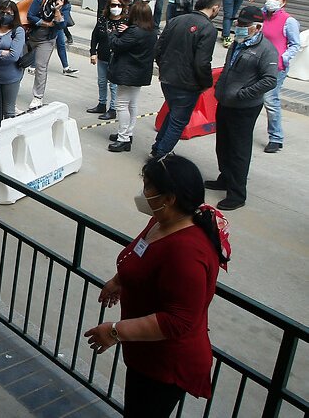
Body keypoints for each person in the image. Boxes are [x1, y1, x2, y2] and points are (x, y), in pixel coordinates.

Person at [85, 154, 231, 417]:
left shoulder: (187, 252)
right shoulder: (162, 221)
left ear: (169, 198)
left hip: (165, 364)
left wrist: (115, 332)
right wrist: (120, 280)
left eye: (148, 185)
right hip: (144, 351)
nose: (143, 192)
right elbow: (143, 253)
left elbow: (178, 321)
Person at [206, 6, 278, 210]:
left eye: (245, 25)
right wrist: (220, 88)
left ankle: (237, 193)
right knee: (223, 144)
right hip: (226, 102)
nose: (239, 27)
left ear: (257, 27)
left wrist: (243, 94)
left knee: (239, 150)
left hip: (244, 108)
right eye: (239, 23)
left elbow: (269, 80)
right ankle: (225, 177)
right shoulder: (237, 44)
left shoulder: (265, 50)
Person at [151, 0, 221, 159]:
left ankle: (158, 147)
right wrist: (205, 83)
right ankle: (161, 154)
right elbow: (202, 63)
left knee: (173, 113)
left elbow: (158, 49)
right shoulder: (208, 29)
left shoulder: (175, 20)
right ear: (215, 8)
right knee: (178, 120)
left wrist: (164, 68)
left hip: (167, 78)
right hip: (187, 84)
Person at [107, 1, 156, 152]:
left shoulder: (134, 31)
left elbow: (116, 45)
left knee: (121, 105)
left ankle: (123, 138)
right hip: (140, 73)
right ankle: (128, 133)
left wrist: (113, 33)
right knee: (132, 104)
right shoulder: (151, 32)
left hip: (128, 73)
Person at [261, 0, 301, 154]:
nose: (272, 1)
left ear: (283, 2)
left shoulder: (289, 21)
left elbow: (295, 44)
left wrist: (283, 58)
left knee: (270, 100)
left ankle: (276, 138)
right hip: (258, 64)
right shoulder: (262, 15)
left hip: (276, 67)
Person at [26, 0, 71, 108]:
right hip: (31, 35)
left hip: (47, 39)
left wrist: (57, 11)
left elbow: (61, 25)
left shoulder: (66, 5)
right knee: (19, 62)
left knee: (41, 67)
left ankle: (37, 96)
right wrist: (46, 23)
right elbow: (31, 15)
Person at [0, 0, 26, 118]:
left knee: (8, 111)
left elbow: (14, 56)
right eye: (2, 12)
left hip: (10, 78)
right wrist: (2, 52)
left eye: (9, 13)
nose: (5, 16)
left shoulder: (18, 31)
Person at [87, 0, 125, 120]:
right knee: (102, 82)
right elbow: (95, 37)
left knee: (113, 85)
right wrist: (93, 53)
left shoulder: (125, 23)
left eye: (119, 5)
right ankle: (101, 104)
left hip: (116, 58)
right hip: (102, 57)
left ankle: (113, 109)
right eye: (113, 5)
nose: (116, 8)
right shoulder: (103, 20)